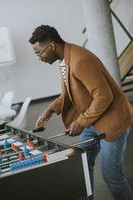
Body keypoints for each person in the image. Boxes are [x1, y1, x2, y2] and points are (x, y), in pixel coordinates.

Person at [29, 25, 133, 200]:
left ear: (52, 46)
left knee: (112, 176)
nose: (39, 57)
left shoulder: (80, 60)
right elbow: (68, 94)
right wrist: (49, 110)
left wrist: (82, 122)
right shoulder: (64, 59)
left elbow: (103, 97)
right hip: (93, 120)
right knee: (82, 165)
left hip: (112, 121)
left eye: (39, 53)